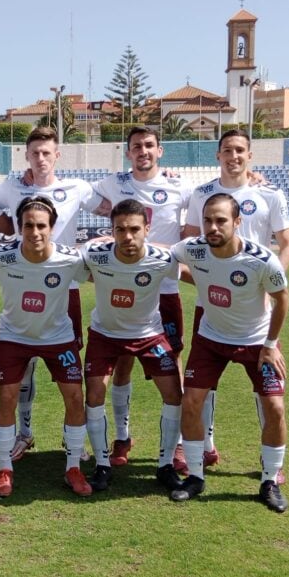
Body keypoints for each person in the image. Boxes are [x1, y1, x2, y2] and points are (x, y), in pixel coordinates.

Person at [0, 126, 101, 462]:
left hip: (66, 286)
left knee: (69, 374)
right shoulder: (13, 186)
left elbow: (110, 207)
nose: (41, 158)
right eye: (35, 153)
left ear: (57, 155)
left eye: (47, 152)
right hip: (24, 282)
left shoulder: (76, 187)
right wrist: (16, 233)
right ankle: (25, 432)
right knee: (24, 370)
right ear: (26, 155)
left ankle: (72, 442)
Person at [182, 129, 289, 473]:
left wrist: (266, 282)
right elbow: (188, 249)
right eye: (227, 150)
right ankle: (206, 446)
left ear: (250, 155)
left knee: (269, 391)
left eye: (240, 150)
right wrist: (208, 280)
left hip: (255, 309)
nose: (234, 156)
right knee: (203, 384)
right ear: (218, 155)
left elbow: (287, 244)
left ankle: (270, 466)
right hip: (212, 304)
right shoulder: (201, 194)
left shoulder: (269, 194)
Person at [170, 193, 289, 512]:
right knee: (192, 401)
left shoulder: (261, 259)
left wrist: (269, 345)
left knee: (275, 407)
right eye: (208, 220)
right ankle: (195, 476)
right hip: (211, 338)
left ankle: (269, 480)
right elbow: (165, 259)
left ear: (237, 222)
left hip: (256, 342)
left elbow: (283, 299)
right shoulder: (192, 248)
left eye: (221, 220)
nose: (212, 226)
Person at [90, 126, 193, 468]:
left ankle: (178, 444)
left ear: (160, 151)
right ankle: (122, 437)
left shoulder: (180, 185)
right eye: (137, 147)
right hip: (125, 285)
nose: (143, 151)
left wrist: (253, 180)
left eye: (149, 145)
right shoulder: (112, 184)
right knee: (121, 364)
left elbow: (212, 202)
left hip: (164, 290)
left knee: (172, 362)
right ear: (128, 152)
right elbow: (76, 195)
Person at [0, 195, 92, 498]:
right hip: (14, 337)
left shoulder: (70, 259)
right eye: (28, 225)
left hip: (58, 337)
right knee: (7, 398)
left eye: (41, 225)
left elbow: (97, 274)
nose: (35, 232)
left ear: (52, 227)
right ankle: (5, 467)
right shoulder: (1, 257)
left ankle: (73, 467)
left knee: (75, 397)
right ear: (19, 227)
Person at [80, 199, 183, 492]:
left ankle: (164, 466)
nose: (127, 236)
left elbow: (195, 276)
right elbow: (65, 266)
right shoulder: (95, 254)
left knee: (174, 395)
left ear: (147, 229)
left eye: (134, 229)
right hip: (105, 334)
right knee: (95, 393)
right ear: (111, 230)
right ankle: (102, 465)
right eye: (120, 229)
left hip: (149, 335)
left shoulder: (163, 258)